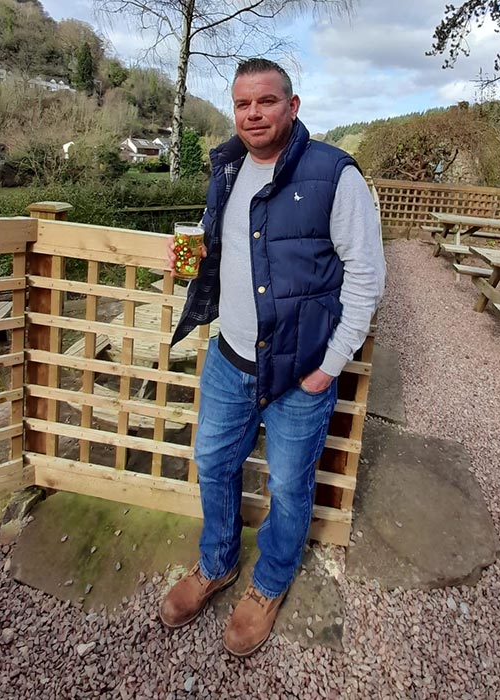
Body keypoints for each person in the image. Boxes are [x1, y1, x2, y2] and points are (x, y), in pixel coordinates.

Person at [159, 58, 386, 657]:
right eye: (241, 104)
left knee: (288, 486)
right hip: (229, 359)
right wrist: (195, 254)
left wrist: (329, 365)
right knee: (213, 464)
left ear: (293, 105)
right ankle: (217, 563)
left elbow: (366, 277)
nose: (252, 114)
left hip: (298, 372)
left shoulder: (337, 176)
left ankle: (270, 582)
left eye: (265, 102)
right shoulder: (228, 166)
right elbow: (235, 244)